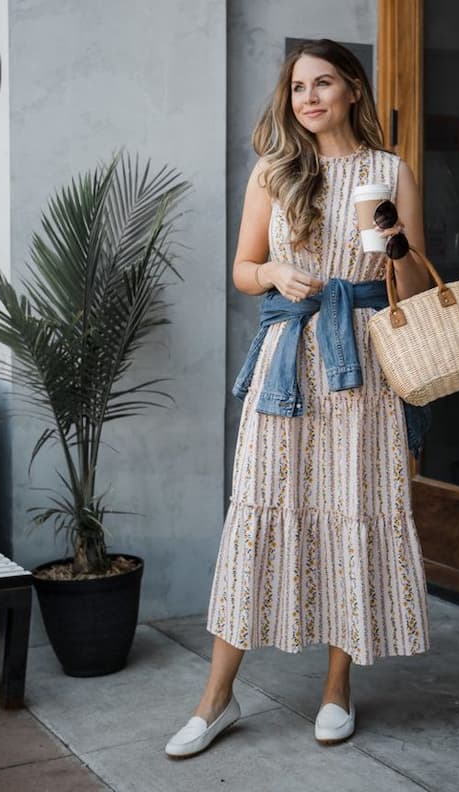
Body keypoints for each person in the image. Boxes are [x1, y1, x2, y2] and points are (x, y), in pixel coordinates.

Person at [165, 39, 431, 759]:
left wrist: (396, 245)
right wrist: (275, 271)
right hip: (287, 365)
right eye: (295, 88)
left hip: (364, 369)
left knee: (352, 508)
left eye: (321, 83)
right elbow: (242, 270)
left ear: (351, 89)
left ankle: (336, 689)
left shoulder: (389, 170)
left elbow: (412, 294)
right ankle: (216, 698)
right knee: (258, 514)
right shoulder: (274, 172)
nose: (306, 97)